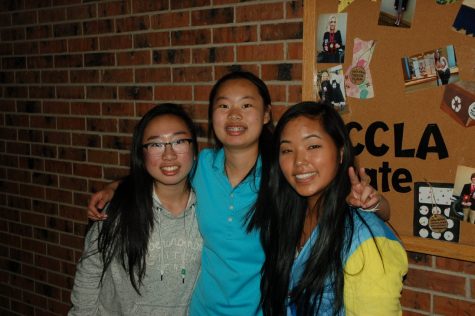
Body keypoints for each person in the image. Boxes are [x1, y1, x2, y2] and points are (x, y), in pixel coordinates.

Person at [87, 71, 391, 315]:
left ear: (266, 115)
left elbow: (356, 217)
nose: (234, 115)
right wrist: (116, 187)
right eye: (223, 106)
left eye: (246, 105)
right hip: (202, 310)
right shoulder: (201, 165)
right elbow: (158, 170)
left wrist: (375, 204)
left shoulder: (284, 174)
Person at [258, 101, 408, 315]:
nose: (299, 161)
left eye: (313, 146)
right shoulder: (289, 215)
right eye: (287, 150)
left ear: (340, 152)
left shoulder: (363, 240)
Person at [69, 104, 202, 315]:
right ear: (142, 155)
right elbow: (90, 272)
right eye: (156, 144)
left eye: (178, 141)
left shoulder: (210, 207)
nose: (169, 154)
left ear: (195, 150)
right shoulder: (118, 209)